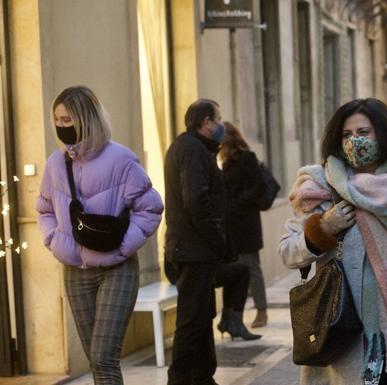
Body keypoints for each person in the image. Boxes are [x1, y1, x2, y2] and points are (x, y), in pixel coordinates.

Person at [280, 98, 387, 385]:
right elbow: (288, 253)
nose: (355, 141)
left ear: (384, 133)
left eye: (363, 133)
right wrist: (323, 229)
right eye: (347, 134)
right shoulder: (320, 187)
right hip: (342, 330)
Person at [36, 85, 164, 385]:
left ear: (86, 118)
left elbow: (151, 208)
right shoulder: (55, 164)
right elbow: (43, 210)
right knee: (95, 360)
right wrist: (55, 242)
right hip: (75, 272)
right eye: (57, 119)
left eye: (68, 119)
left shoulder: (121, 159)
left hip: (116, 270)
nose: (61, 125)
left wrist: (123, 247)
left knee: (104, 357)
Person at [164, 99, 227, 385]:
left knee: (202, 317)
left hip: (195, 250)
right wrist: (218, 237)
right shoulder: (191, 149)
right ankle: (180, 379)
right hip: (192, 250)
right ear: (206, 122)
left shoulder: (195, 148)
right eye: (218, 118)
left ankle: (202, 377)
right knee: (191, 321)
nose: (221, 124)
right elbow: (196, 201)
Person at [219, 121, 269, 328]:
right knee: (233, 269)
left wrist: (237, 205)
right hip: (230, 226)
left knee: (251, 267)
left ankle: (262, 311)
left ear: (229, 139)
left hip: (246, 224)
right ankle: (230, 316)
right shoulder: (226, 162)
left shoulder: (246, 158)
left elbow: (259, 186)